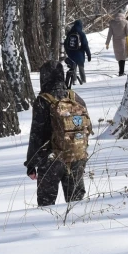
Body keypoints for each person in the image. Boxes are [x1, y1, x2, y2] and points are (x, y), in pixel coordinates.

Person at [24, 60, 91, 206]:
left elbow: (36, 135)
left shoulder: (43, 101)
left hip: (51, 159)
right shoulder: (75, 98)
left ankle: (48, 228)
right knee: (76, 204)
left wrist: (31, 163)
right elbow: (85, 128)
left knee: (46, 205)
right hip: (76, 157)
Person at [64, 19, 91, 84]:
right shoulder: (81, 34)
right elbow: (85, 45)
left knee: (73, 68)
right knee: (81, 68)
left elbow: (65, 44)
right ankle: (84, 81)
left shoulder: (70, 33)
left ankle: (74, 81)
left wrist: (68, 52)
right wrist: (88, 54)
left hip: (71, 54)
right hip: (80, 54)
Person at [105, 11, 128, 76]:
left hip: (115, 42)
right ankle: (121, 72)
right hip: (123, 42)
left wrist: (107, 43)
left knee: (119, 57)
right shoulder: (125, 22)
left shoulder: (112, 23)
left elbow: (109, 34)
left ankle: (121, 71)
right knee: (123, 57)